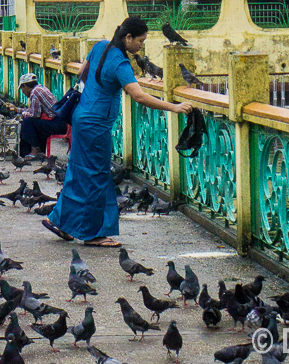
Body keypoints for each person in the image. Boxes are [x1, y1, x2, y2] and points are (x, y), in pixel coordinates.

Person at [42, 17, 193, 247]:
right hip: (97, 125)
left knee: (78, 172)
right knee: (97, 177)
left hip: (81, 117)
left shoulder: (100, 46)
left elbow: (82, 72)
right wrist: (174, 107)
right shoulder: (121, 64)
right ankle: (94, 234)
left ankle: (60, 221)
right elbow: (139, 96)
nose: (141, 45)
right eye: (140, 41)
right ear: (128, 37)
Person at [18, 73, 68, 154]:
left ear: (25, 86)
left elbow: (34, 115)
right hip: (61, 122)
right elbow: (33, 110)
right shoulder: (41, 88)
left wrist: (23, 114)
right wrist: (18, 110)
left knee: (27, 122)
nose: (23, 92)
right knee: (34, 122)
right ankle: (36, 150)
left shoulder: (34, 93)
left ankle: (33, 151)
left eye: (22, 89)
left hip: (58, 124)